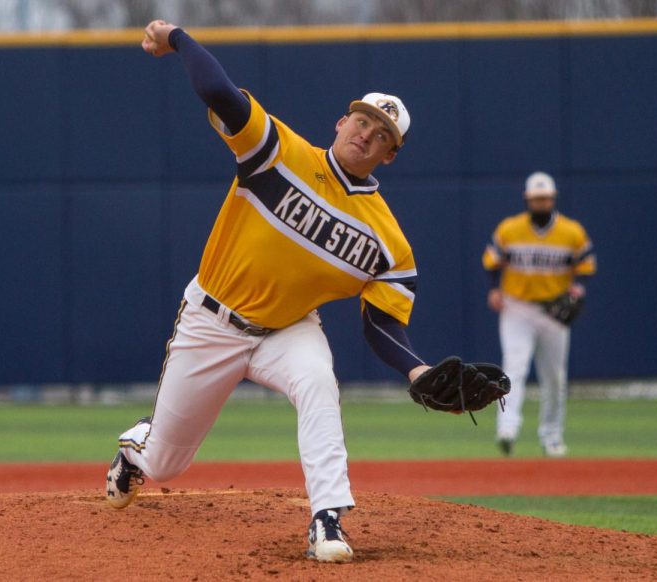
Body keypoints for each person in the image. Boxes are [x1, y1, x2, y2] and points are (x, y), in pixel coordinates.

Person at [106, 20, 437, 564]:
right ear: (341, 120)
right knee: (166, 464)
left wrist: (416, 370)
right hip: (212, 321)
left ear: (390, 156)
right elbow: (219, 93)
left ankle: (327, 520)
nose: (366, 134)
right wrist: (179, 39)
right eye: (361, 120)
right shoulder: (278, 152)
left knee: (318, 384)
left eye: (381, 135)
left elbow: (382, 324)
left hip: (288, 329)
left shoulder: (387, 240)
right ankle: (137, 447)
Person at [482, 172, 596, 458]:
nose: (541, 204)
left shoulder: (572, 232)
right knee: (513, 369)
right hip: (517, 307)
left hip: (553, 310)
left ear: (553, 199)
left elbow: (585, 267)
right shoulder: (509, 229)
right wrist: (495, 289)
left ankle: (552, 436)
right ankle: (507, 428)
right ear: (527, 200)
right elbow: (492, 262)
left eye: (545, 199)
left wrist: (577, 293)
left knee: (555, 377)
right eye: (536, 199)